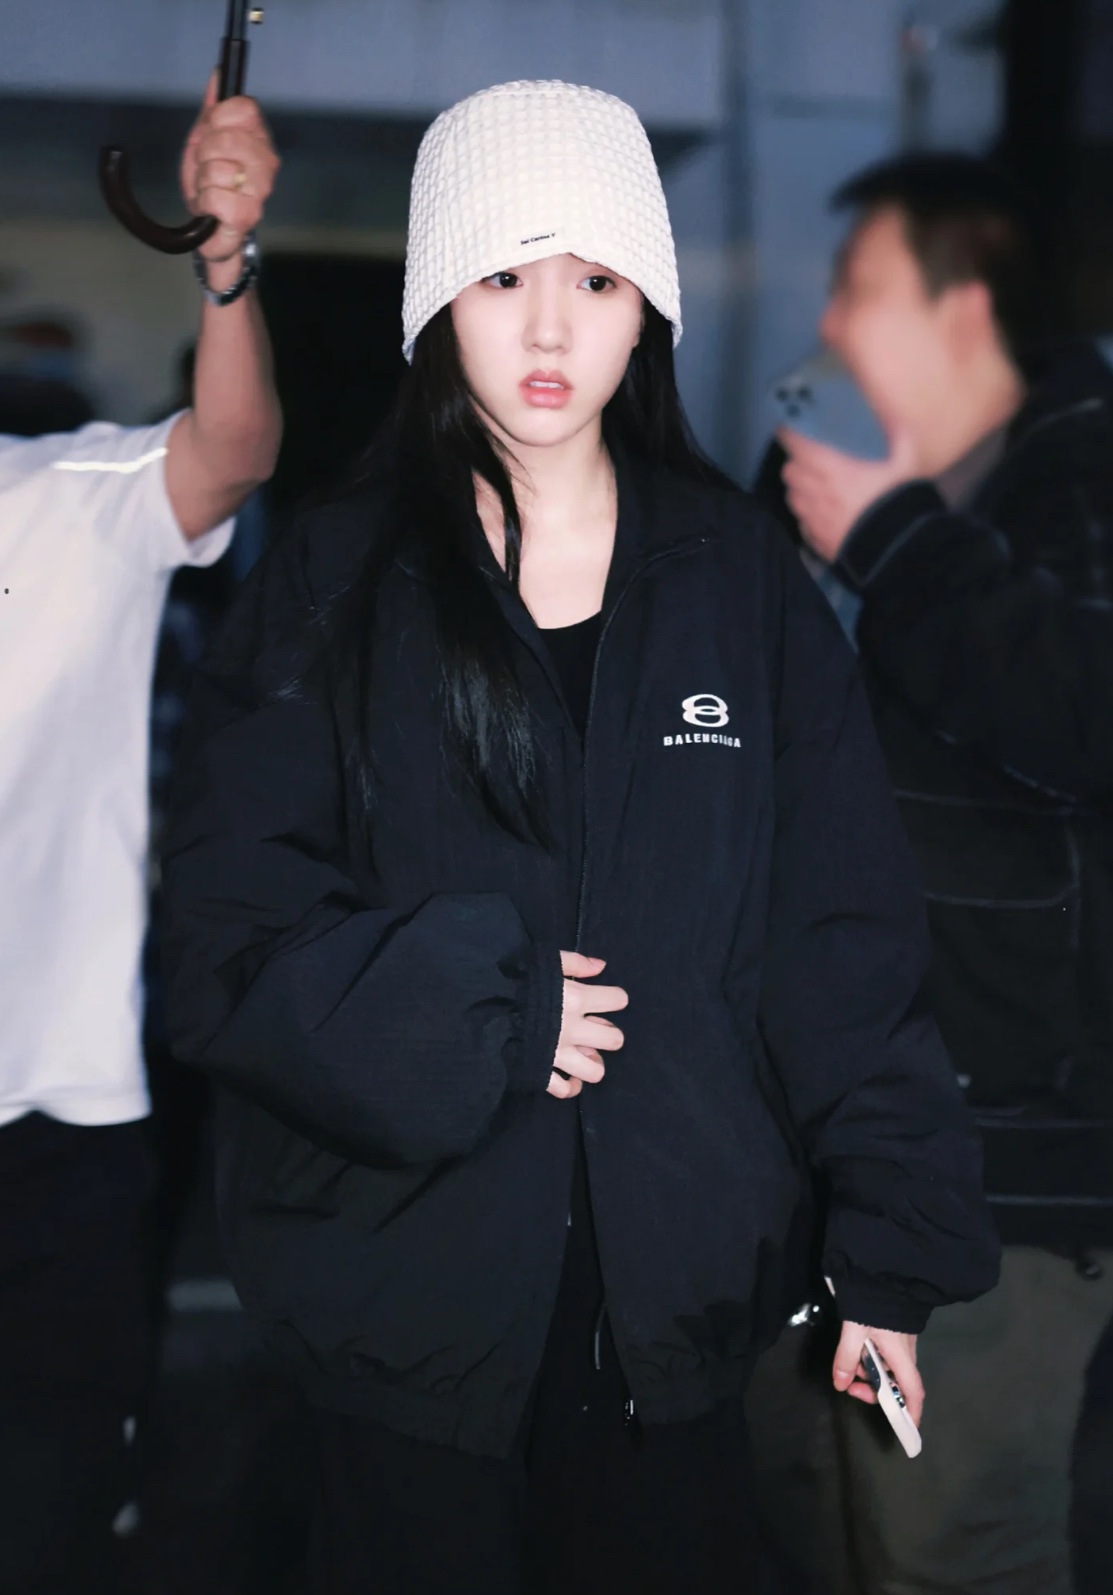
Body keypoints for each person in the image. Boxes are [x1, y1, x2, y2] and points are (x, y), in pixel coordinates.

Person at [162, 82, 998, 1595]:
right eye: (504, 277)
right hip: (398, 1317)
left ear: (646, 310)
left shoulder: (739, 583)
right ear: (438, 298)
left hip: (675, 1324)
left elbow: (841, 936)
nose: (551, 330)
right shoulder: (337, 581)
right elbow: (223, 938)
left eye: (597, 282)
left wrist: (890, 1252)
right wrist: (477, 1014)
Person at [772, 152, 1113, 1595]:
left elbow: (1088, 703)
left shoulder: (1075, 473)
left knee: (951, 1553)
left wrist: (890, 543)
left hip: (1005, 1187)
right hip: (839, 1154)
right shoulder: (857, 476)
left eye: (860, 288)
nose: (829, 323)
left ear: (960, 306)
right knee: (825, 1537)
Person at [0, 80, 281, 1594]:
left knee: (42, 1518)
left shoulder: (57, 499)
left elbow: (230, 449)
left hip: (56, 1130)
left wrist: (225, 260)